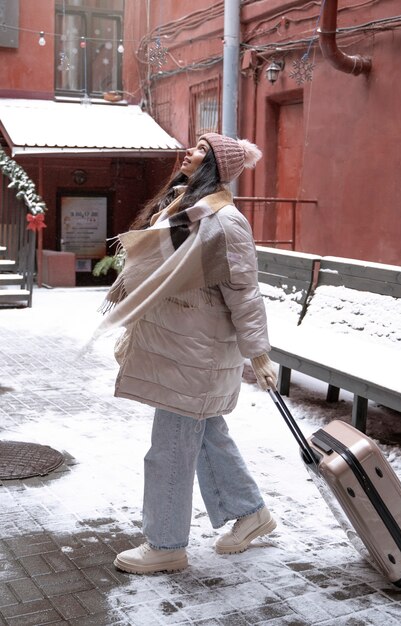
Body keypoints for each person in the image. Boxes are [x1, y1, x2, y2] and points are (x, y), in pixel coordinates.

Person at [96, 132, 278, 575]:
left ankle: (166, 544)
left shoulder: (224, 221)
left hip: (196, 353)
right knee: (208, 436)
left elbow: (244, 292)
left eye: (200, 148)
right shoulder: (186, 207)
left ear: (214, 164)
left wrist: (259, 355)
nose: (189, 152)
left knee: (170, 450)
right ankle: (251, 513)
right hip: (184, 344)